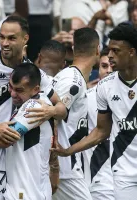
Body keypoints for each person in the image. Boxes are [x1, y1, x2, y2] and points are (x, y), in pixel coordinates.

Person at [0, 15, 66, 200]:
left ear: (25, 39)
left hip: (1, 146)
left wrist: (50, 111)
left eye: (11, 38)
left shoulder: (33, 74)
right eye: (2, 37)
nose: (4, 43)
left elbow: (62, 107)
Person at [51, 23, 137, 200]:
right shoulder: (105, 87)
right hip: (124, 174)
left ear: (131, 52)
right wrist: (69, 150)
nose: (110, 55)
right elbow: (101, 131)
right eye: (108, 50)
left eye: (116, 51)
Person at [52, 27, 100, 200]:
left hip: (67, 166)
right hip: (64, 169)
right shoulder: (72, 80)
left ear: (73, 48)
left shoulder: (74, 77)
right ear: (98, 50)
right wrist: (54, 165)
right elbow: (51, 116)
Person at [3, 63, 54, 200]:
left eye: (19, 90)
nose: (13, 94)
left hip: (30, 193)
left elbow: (4, 138)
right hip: (21, 190)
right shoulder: (24, 103)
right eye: (11, 87)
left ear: (35, 89)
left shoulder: (36, 106)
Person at [84, 48, 114, 200]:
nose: (108, 71)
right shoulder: (86, 98)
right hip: (99, 182)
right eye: (104, 66)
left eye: (112, 66)